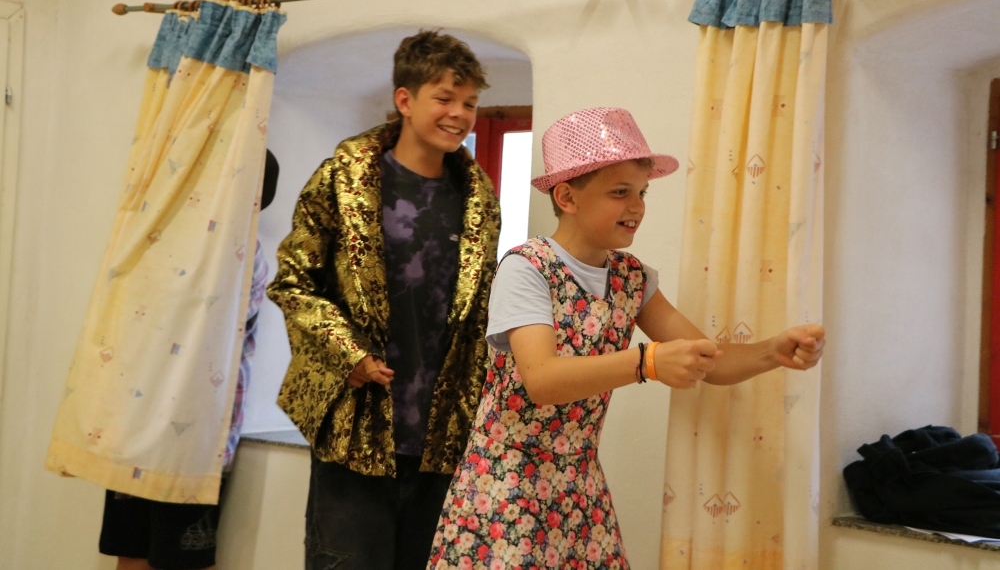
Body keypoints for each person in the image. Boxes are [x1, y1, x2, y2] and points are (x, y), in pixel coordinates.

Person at [426, 107, 825, 570]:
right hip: (503, 486)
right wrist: (646, 362)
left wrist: (772, 351)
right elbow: (542, 379)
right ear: (567, 197)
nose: (637, 207)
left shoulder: (631, 278)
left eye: (642, 192)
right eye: (620, 192)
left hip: (579, 487)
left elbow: (707, 360)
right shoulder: (526, 268)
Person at [268, 30, 502, 570]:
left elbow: (477, 314)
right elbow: (293, 282)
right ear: (405, 99)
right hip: (355, 431)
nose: (459, 114)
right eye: (444, 98)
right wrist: (345, 355)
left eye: (470, 103)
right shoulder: (343, 180)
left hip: (443, 439)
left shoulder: (479, 199)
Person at [98, 149, 280, 570]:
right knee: (132, 550)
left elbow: (205, 335)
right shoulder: (175, 237)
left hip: (193, 436)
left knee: (184, 558)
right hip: (139, 424)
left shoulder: (243, 255)